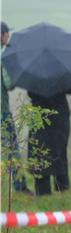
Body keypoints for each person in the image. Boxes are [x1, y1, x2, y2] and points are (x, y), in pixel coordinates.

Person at [1, 21, 33, 195]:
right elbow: (9, 84)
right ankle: (20, 187)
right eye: (6, 34)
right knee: (12, 150)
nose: (8, 37)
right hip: (2, 113)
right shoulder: (2, 57)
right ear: (2, 35)